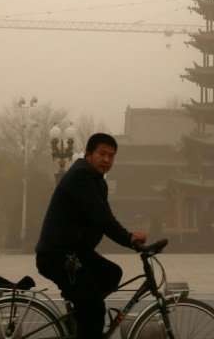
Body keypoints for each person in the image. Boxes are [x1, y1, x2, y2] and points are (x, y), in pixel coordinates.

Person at [36, 133, 147, 339]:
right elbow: (102, 219)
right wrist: (129, 238)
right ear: (89, 154)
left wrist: (127, 238)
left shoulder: (97, 181)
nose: (107, 160)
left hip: (76, 252)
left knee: (111, 274)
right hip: (57, 255)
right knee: (95, 309)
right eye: (102, 154)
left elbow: (104, 218)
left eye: (111, 156)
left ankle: (80, 319)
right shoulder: (81, 177)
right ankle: (86, 317)